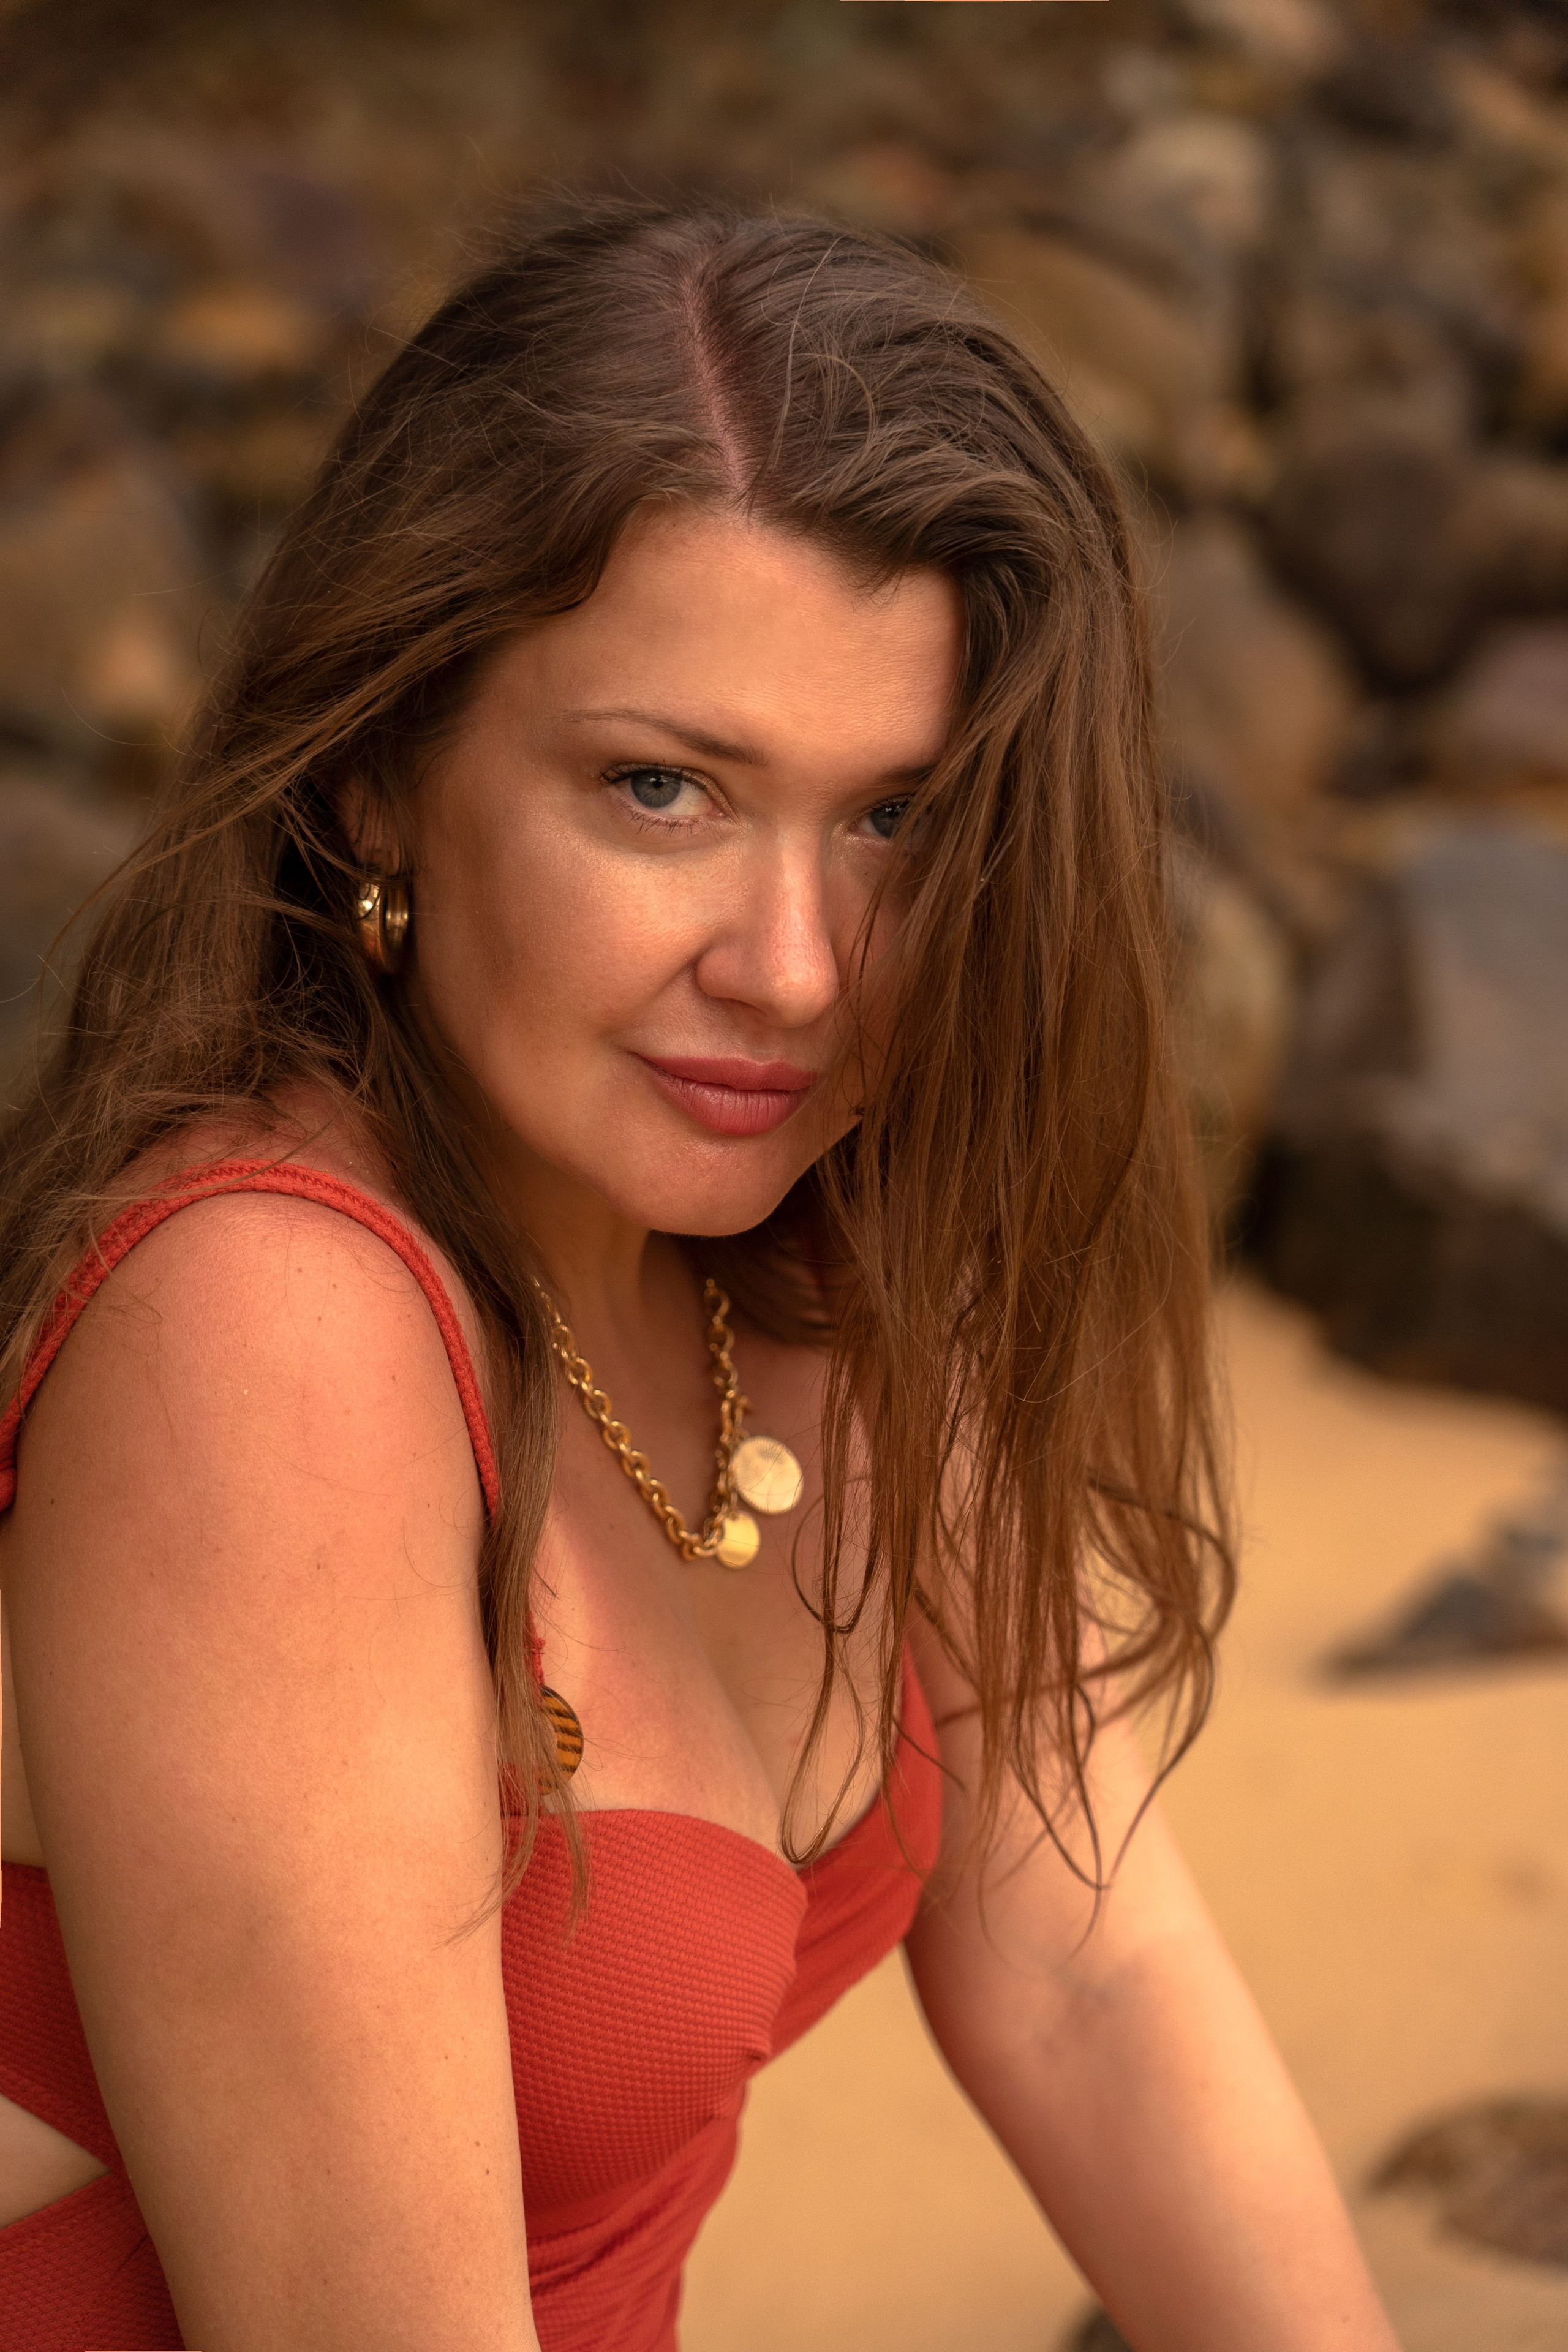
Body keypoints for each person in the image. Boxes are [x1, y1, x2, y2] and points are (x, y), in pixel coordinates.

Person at [0, 198, 1399, 2352]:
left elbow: (1089, 1962)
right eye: (662, 789)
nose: (796, 972)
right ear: (380, 772)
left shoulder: (824, 1256)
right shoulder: (268, 1325)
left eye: (896, 819)